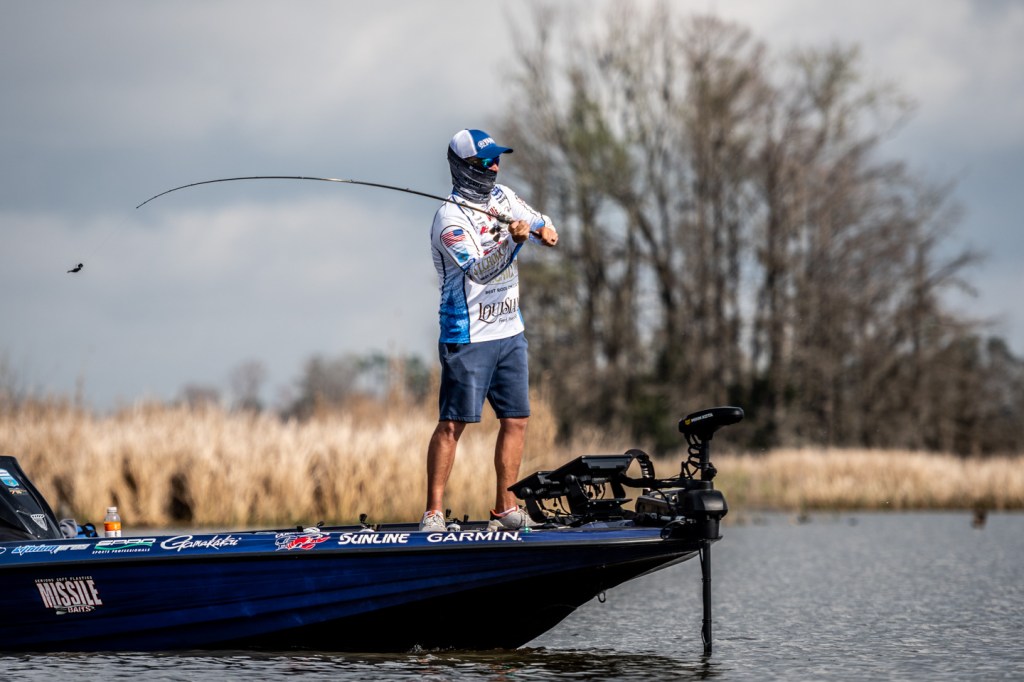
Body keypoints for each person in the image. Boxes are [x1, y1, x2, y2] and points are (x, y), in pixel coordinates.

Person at [421, 128, 558, 532]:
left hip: (510, 332)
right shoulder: (449, 219)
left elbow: (537, 219)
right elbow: (479, 272)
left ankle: (505, 507)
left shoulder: (503, 197)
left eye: (497, 159)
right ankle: (433, 512)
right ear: (464, 167)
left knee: (516, 420)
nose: (495, 167)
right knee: (453, 423)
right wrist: (513, 243)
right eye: (485, 162)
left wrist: (544, 231)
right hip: (468, 335)